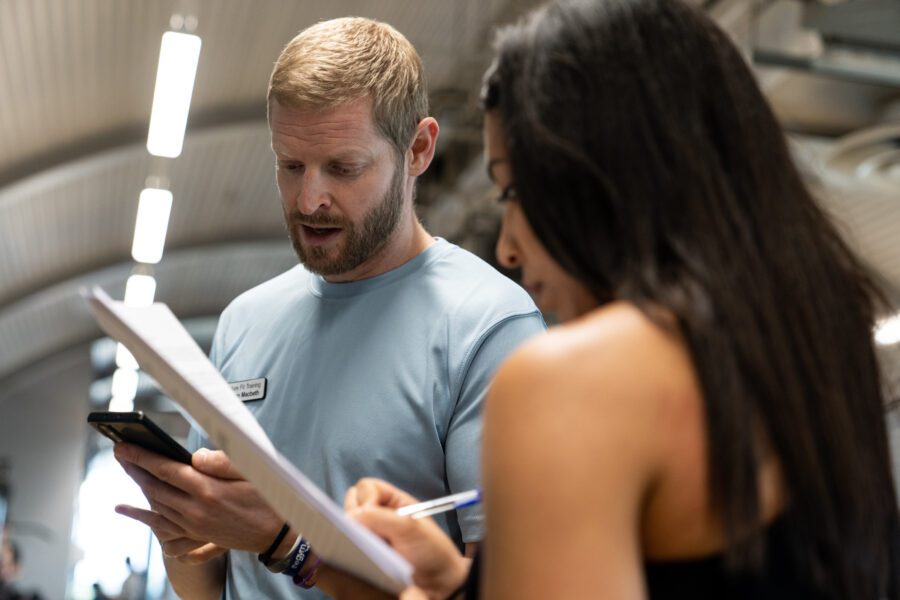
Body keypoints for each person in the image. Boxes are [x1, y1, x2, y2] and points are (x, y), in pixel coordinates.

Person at [306, 0, 900, 598]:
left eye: (513, 192)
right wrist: (460, 584)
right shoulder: (818, 348)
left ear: (601, 176)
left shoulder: (570, 382)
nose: (507, 248)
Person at [112, 16, 544, 600]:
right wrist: (182, 540)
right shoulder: (244, 321)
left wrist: (290, 543)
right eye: (290, 165)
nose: (309, 198)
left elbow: (509, 586)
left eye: (343, 168)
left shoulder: (488, 327)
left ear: (418, 150)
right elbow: (210, 586)